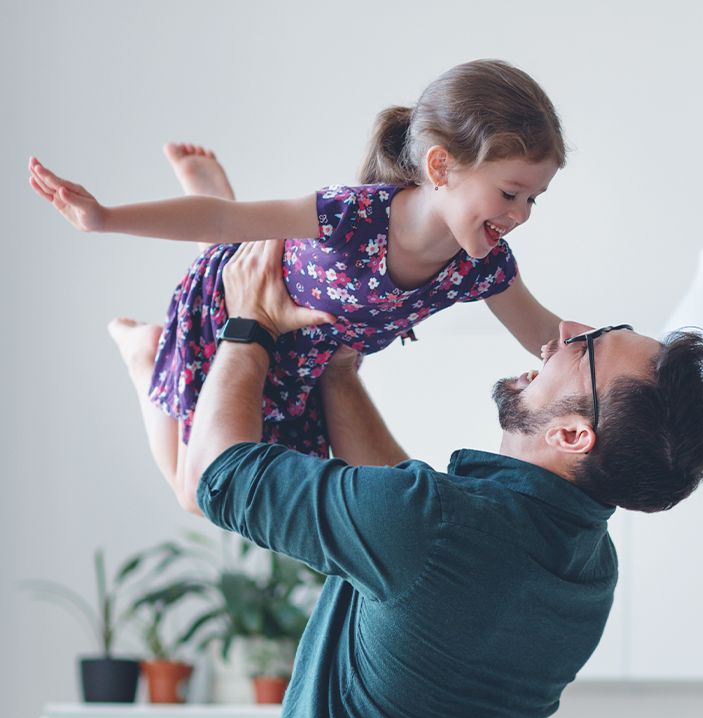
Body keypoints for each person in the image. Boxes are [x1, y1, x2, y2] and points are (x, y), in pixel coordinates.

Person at [181, 239, 703, 718]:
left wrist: (250, 323)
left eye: (585, 348)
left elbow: (216, 474)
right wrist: (338, 374)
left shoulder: (437, 526)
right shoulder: (586, 565)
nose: (567, 332)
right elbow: (411, 548)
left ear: (571, 435)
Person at [27, 59, 565, 510]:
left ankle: (223, 221)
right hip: (230, 315)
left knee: (237, 490)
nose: (521, 215)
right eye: (510, 193)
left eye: (533, 199)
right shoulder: (353, 215)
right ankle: (145, 353)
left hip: (301, 367)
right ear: (441, 166)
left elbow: (547, 333)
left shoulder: (482, 266)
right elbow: (218, 220)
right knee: (196, 495)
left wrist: (639, 359)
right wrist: (103, 217)